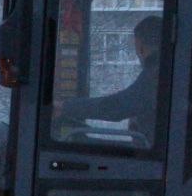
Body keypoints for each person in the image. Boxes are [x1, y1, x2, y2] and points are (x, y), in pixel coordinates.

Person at [57, 15, 162, 144]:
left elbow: (115, 107)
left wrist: (65, 107)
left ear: (141, 47)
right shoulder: (161, 71)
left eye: (135, 47)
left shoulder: (155, 76)